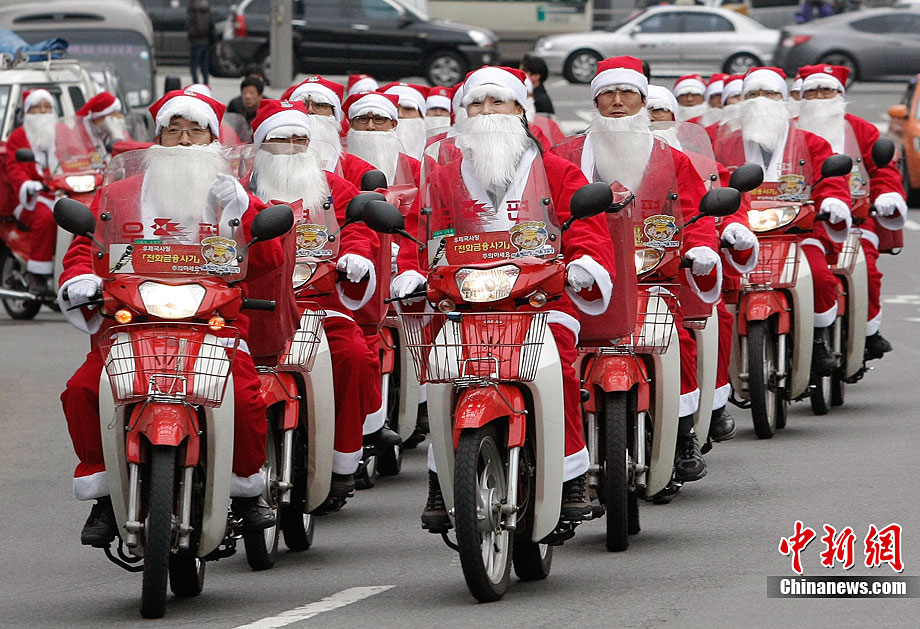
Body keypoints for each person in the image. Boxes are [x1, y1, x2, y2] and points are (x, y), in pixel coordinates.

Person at [392, 66, 617, 532]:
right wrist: (412, 270)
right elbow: (422, 229)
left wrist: (584, 262)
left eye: (498, 101)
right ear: (462, 114)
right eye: (477, 103)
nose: (487, 111)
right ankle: (440, 474)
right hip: (463, 304)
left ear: (520, 109)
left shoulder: (556, 170)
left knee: (562, 367)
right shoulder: (444, 176)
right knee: (441, 373)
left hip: (539, 302)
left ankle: (571, 474)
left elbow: (586, 227)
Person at [59, 89, 279, 547]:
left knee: (244, 394)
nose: (183, 140)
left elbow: (268, 259)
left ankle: (244, 491)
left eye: (195, 131)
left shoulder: (233, 192)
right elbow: (87, 245)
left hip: (210, 325)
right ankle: (105, 491)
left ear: (213, 140)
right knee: (84, 389)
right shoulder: (119, 193)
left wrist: (242, 209)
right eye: (173, 130)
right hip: (133, 323)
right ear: (157, 138)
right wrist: (80, 277)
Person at [551, 56, 725, 488]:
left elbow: (695, 213)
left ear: (644, 101)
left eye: (627, 93)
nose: (617, 102)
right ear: (595, 102)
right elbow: (544, 215)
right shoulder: (564, 156)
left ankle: (682, 435)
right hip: (584, 280)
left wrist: (701, 249)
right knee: (553, 353)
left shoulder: (672, 159)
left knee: (678, 339)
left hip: (653, 275)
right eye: (607, 94)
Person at [246, 99, 390, 509]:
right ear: (261, 145)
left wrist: (356, 254)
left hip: (318, 304)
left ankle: (343, 462)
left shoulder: (334, 188)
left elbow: (357, 226)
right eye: (281, 140)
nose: (292, 148)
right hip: (255, 306)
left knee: (354, 354)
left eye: (300, 140)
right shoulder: (239, 191)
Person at [714, 67, 853, 377]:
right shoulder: (723, 142)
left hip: (797, 233)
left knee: (820, 276)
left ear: (785, 99)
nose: (761, 100)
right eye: (752, 94)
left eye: (770, 93)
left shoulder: (812, 142)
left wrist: (832, 200)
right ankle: (719, 365)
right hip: (739, 232)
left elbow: (831, 180)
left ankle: (817, 338)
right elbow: (711, 178)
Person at [795, 64, 905, 359]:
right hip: (802, 221)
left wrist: (887, 196)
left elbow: (883, 171)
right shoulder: (791, 131)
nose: (820, 97)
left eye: (827, 90)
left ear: (840, 94)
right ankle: (808, 335)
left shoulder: (861, 129)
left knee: (867, 269)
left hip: (856, 219)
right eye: (812, 91)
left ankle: (868, 331)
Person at [4, 89, 60, 296]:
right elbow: (15, 168)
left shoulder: (61, 132)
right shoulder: (18, 136)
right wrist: (27, 184)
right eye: (38, 107)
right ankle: (37, 272)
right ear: (28, 111)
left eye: (48, 107)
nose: (43, 111)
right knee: (46, 219)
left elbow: (75, 155)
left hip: (62, 190)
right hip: (32, 197)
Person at [281, 75, 377, 189]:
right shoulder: (271, 164)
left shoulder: (359, 170)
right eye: (302, 105)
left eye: (320, 105)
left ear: (334, 115)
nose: (310, 110)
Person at [342, 90, 421, 188]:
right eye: (362, 119)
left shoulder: (413, 168)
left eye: (379, 119)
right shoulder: (339, 164)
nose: (370, 126)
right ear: (351, 123)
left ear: (393, 124)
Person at [379, 82, 430, 161]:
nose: (400, 115)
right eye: (394, 109)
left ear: (421, 115)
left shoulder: (434, 150)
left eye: (408, 109)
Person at [75, 91, 127, 160]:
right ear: (101, 117)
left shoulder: (111, 132)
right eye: (113, 116)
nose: (117, 119)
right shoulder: (81, 133)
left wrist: (117, 135)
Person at [187, 0, 212, 86]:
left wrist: (191, 35)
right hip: (206, 39)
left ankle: (196, 86)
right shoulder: (206, 6)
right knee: (204, 66)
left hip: (196, 40)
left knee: (193, 66)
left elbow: (194, 24)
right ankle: (206, 85)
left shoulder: (193, 8)